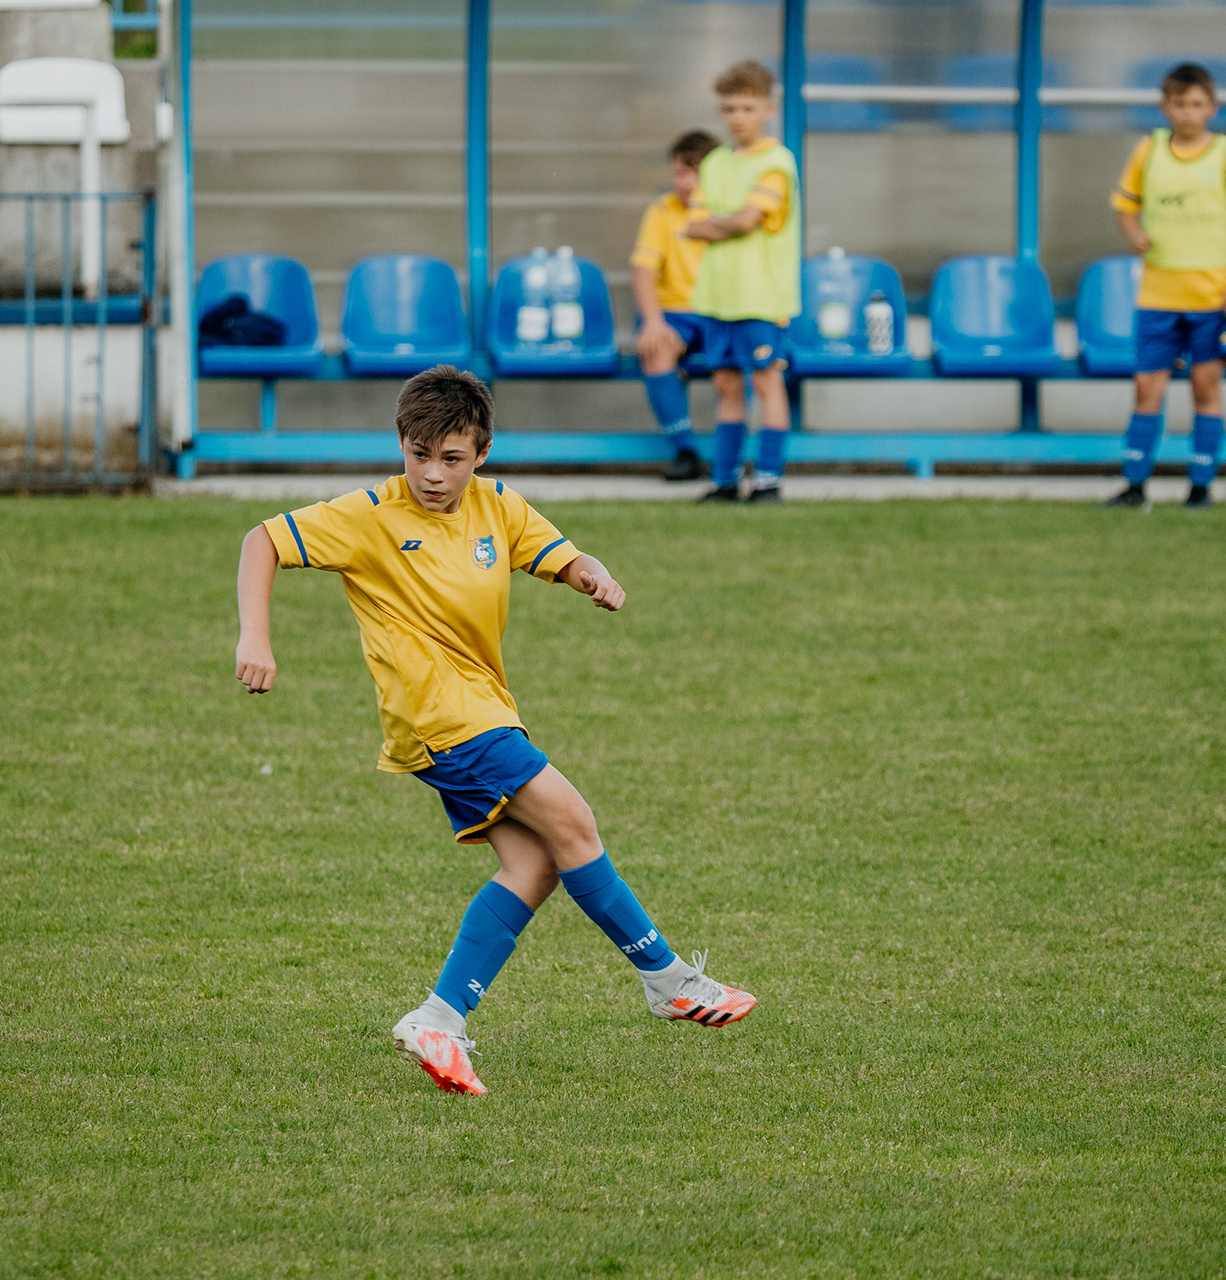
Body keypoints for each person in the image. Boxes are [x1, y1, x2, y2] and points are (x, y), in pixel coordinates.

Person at [233, 365, 757, 1097]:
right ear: (401, 445)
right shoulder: (370, 514)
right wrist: (255, 637)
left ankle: (438, 1020)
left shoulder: (498, 505)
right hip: (441, 719)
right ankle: (667, 980)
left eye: (451, 458)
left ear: (481, 453)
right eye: (418, 455)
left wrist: (591, 575)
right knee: (574, 822)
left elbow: (562, 556)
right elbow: (262, 539)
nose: (432, 474)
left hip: (483, 711)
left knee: (535, 866)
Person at [1105, 62, 1226, 510]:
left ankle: (1200, 487)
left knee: (1205, 386)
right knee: (1147, 387)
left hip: (1211, 295)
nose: (1188, 112)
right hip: (1158, 293)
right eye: (1179, 104)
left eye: (1197, 104)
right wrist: (1133, 233)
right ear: (1165, 108)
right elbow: (1124, 205)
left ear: (1212, 108)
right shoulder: (1149, 150)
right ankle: (1135, 485)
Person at [683, 60, 802, 504]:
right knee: (726, 386)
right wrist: (724, 223)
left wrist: (719, 223)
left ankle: (769, 480)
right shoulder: (715, 162)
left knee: (767, 382)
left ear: (768, 109)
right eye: (730, 108)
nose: (738, 117)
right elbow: (694, 225)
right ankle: (726, 481)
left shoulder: (777, 162)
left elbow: (748, 220)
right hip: (717, 296)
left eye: (748, 108)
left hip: (761, 297)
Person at [632, 129, 722, 482]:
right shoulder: (662, 209)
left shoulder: (729, 211)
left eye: (693, 173)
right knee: (657, 348)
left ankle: (730, 454)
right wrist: (653, 322)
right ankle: (685, 450)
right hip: (674, 313)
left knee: (738, 360)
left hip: (720, 313)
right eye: (678, 173)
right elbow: (643, 270)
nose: (684, 183)